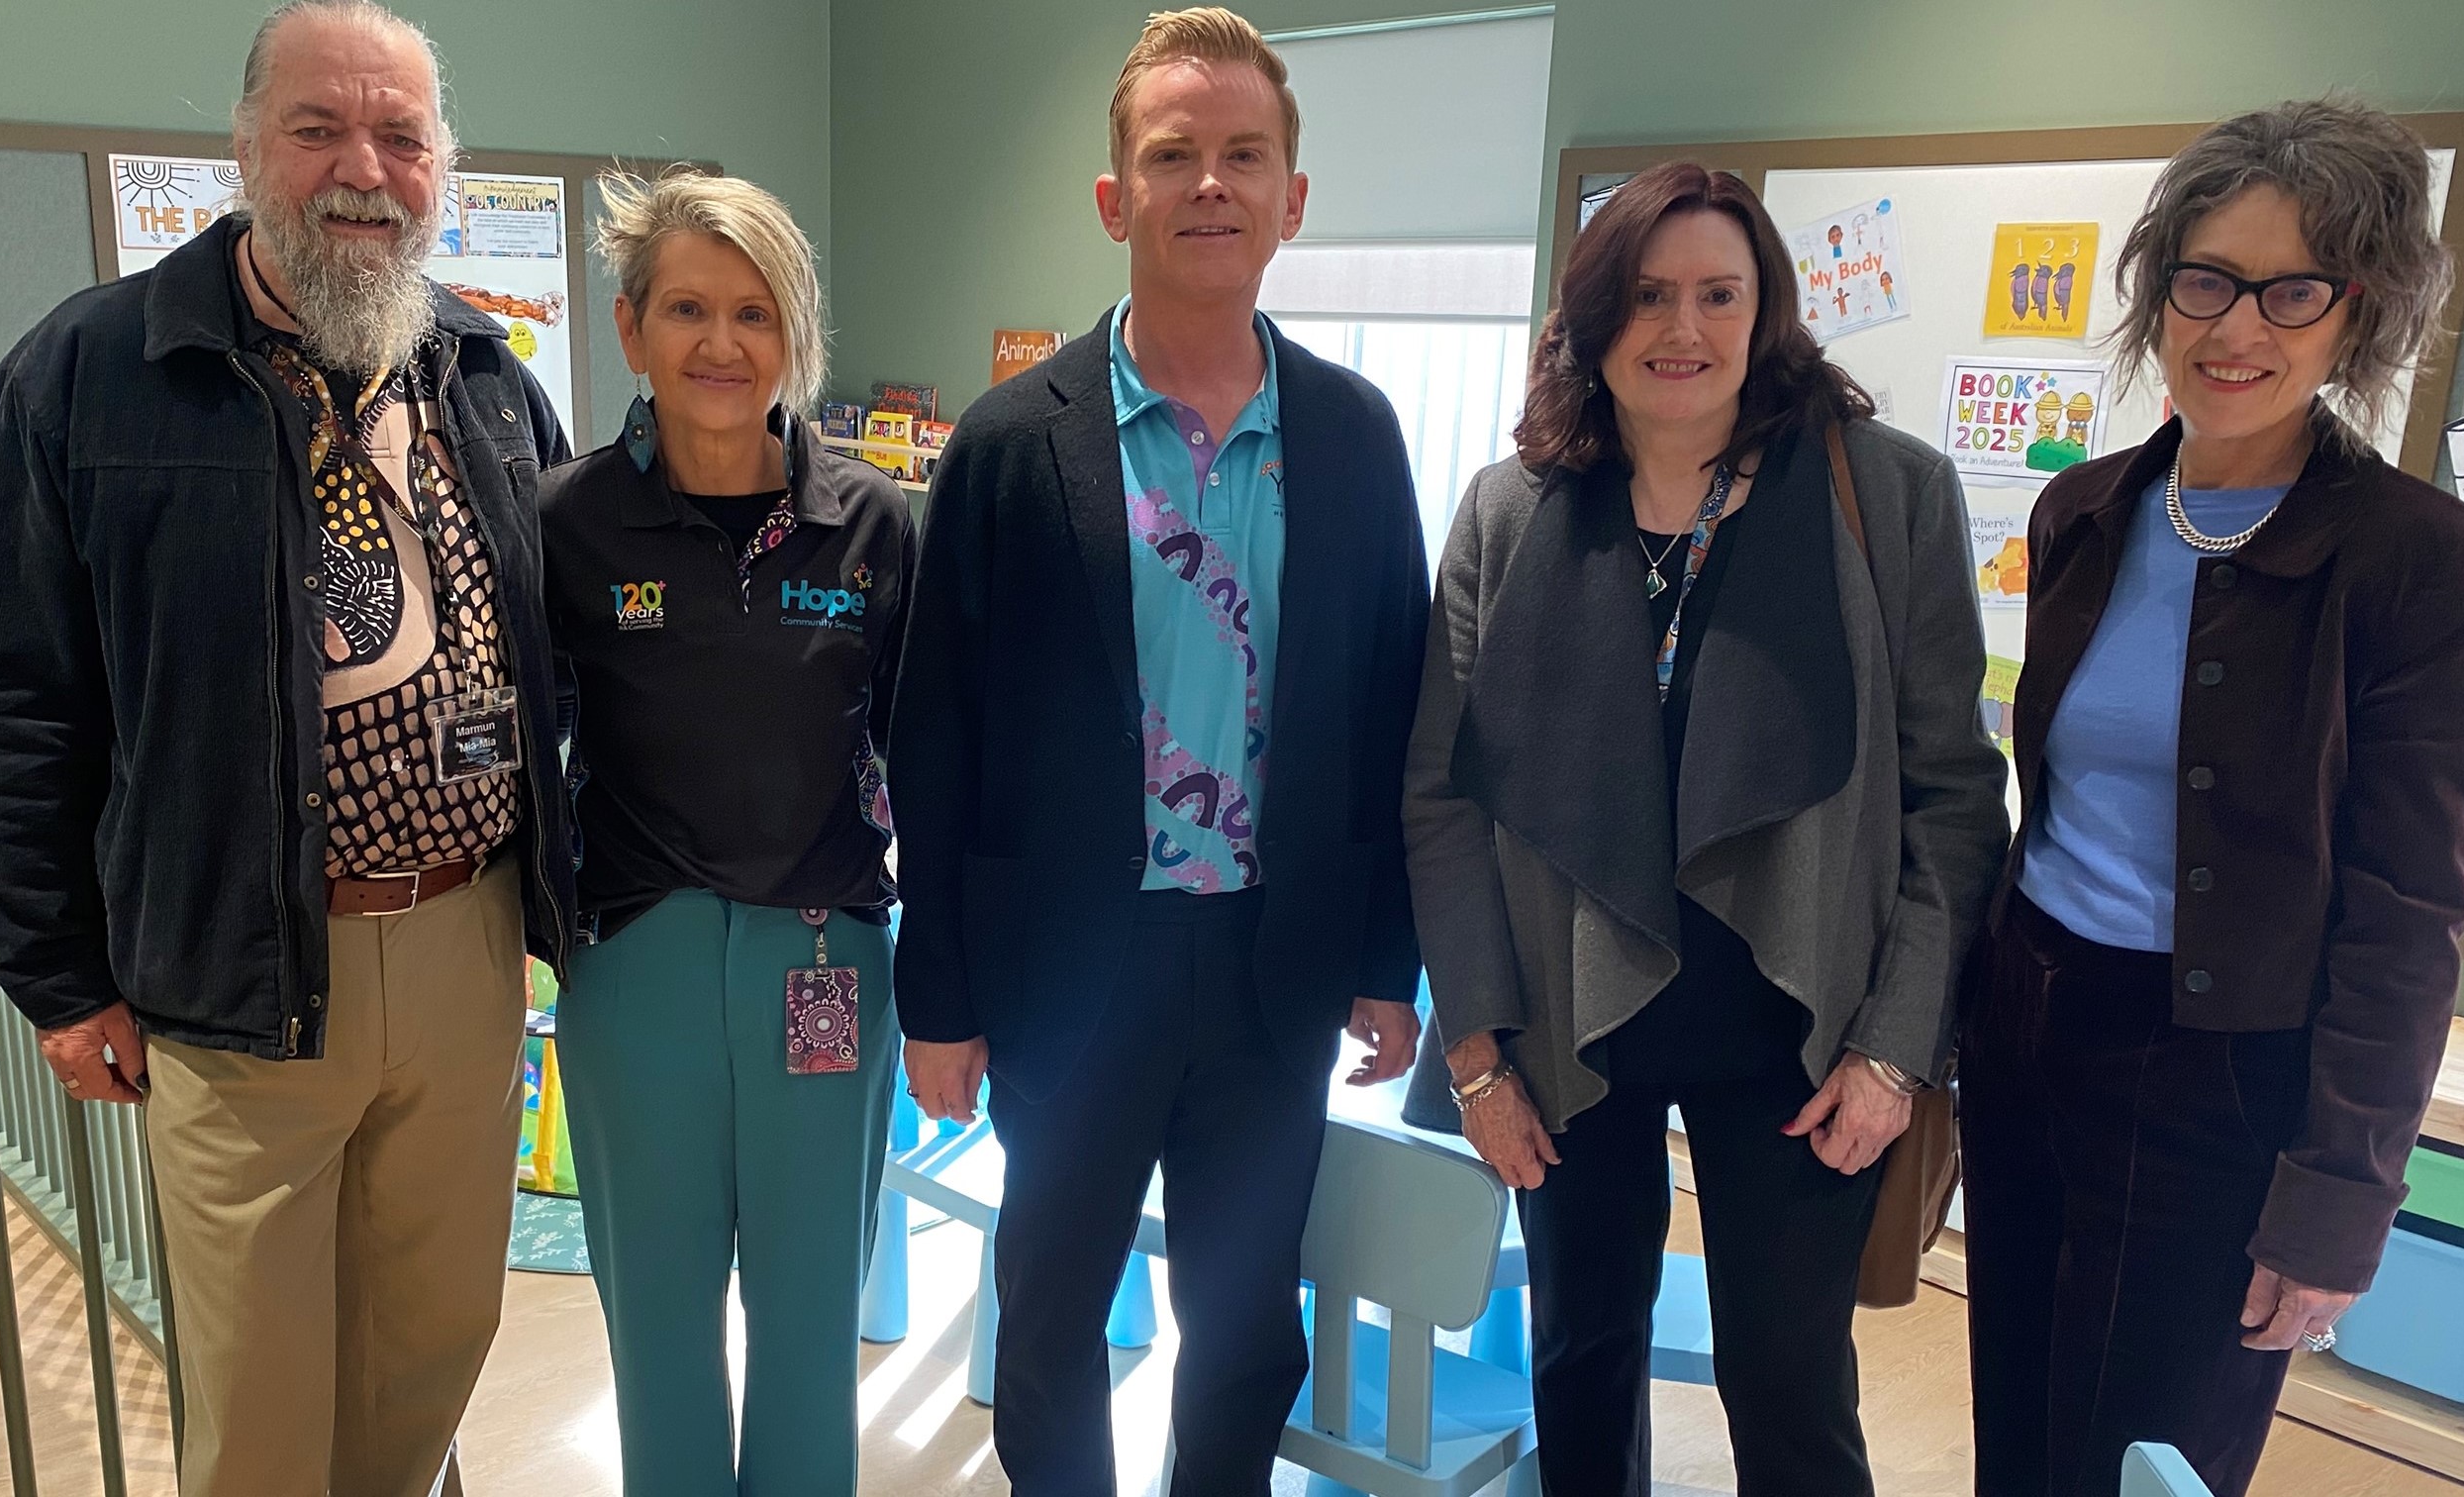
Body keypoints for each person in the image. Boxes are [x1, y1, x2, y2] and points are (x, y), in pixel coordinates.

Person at [0, 3, 573, 1491]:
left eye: (401, 136)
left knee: (431, 1351)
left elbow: (569, 655)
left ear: (441, 169)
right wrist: (58, 971)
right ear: (242, 151)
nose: (365, 167)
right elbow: (7, 700)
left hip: (468, 946)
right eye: (319, 128)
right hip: (237, 971)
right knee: (263, 1410)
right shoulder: (89, 376)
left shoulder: (484, 374)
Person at [1403, 162, 2010, 1497]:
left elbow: (1956, 800)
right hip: (1569, 1028)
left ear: (1768, 309)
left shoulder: (1887, 492)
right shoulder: (1510, 512)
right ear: (1591, 317)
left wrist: (1897, 1051)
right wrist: (1477, 1057)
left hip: (1798, 1037)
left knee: (1790, 1387)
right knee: (1580, 1353)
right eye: (1648, 294)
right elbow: (1442, 797)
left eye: (1718, 294)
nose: (1682, 330)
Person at [887, 9, 1429, 1492]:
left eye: (1244, 155)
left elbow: (1396, 713)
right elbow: (933, 736)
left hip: (1277, 966)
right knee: (1050, 1314)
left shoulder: (1358, 438)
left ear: (1292, 201)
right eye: (1172, 154)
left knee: (1246, 1322)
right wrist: (935, 992)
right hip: (1069, 975)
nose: (1211, 183)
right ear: (1116, 196)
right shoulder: (1010, 446)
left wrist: (1391, 957)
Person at [1960, 98, 2464, 1497]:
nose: (2238, 329)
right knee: (2019, 1430)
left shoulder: (2431, 567)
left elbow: (2409, 912)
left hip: (2227, 1079)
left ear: (2360, 312)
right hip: (2032, 1029)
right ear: (2162, 292)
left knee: (2149, 1463)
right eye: (2206, 280)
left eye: (2295, 290)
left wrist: (2342, 1192)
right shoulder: (2083, 511)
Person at [535, 168, 908, 1496]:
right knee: (661, 1325)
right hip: (639, 969)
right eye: (686, 308)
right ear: (631, 329)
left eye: (754, 312)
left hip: (827, 965)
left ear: (791, 335)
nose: (720, 344)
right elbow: (528, 751)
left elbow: (919, 748)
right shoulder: (566, 522)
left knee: (813, 1326)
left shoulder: (870, 523)